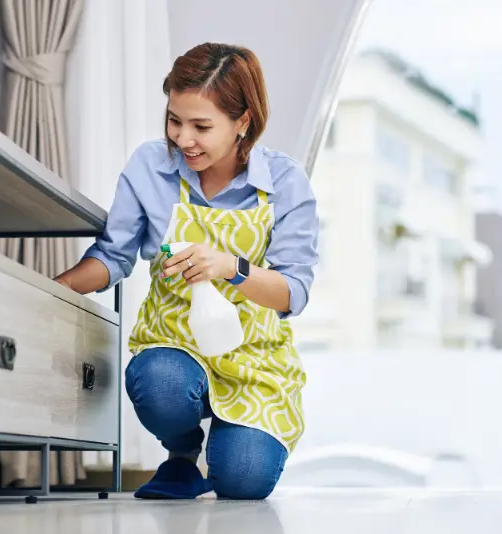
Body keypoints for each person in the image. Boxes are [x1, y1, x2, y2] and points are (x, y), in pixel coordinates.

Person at [54, 42, 319, 501]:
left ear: (243, 122)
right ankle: (183, 453)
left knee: (244, 482)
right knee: (162, 383)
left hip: (251, 357)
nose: (182, 138)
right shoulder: (150, 167)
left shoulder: (285, 183)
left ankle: (224, 449)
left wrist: (230, 267)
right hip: (173, 345)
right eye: (174, 120)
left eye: (201, 126)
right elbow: (113, 256)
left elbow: (293, 292)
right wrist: (54, 289)